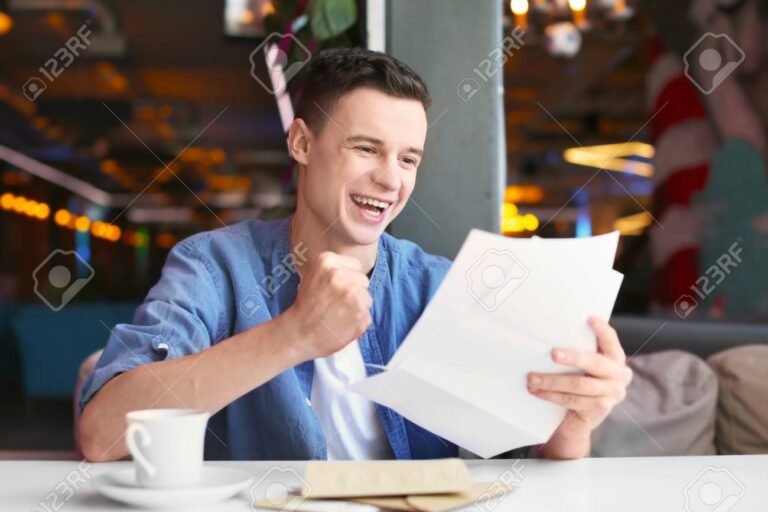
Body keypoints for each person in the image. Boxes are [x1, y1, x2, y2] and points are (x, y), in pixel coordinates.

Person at [78, 48, 632, 462]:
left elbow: (522, 471)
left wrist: (574, 422)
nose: (390, 179)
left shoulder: (440, 288)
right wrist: (293, 334)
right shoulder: (213, 266)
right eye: (366, 148)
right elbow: (102, 435)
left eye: (409, 158)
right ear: (301, 143)